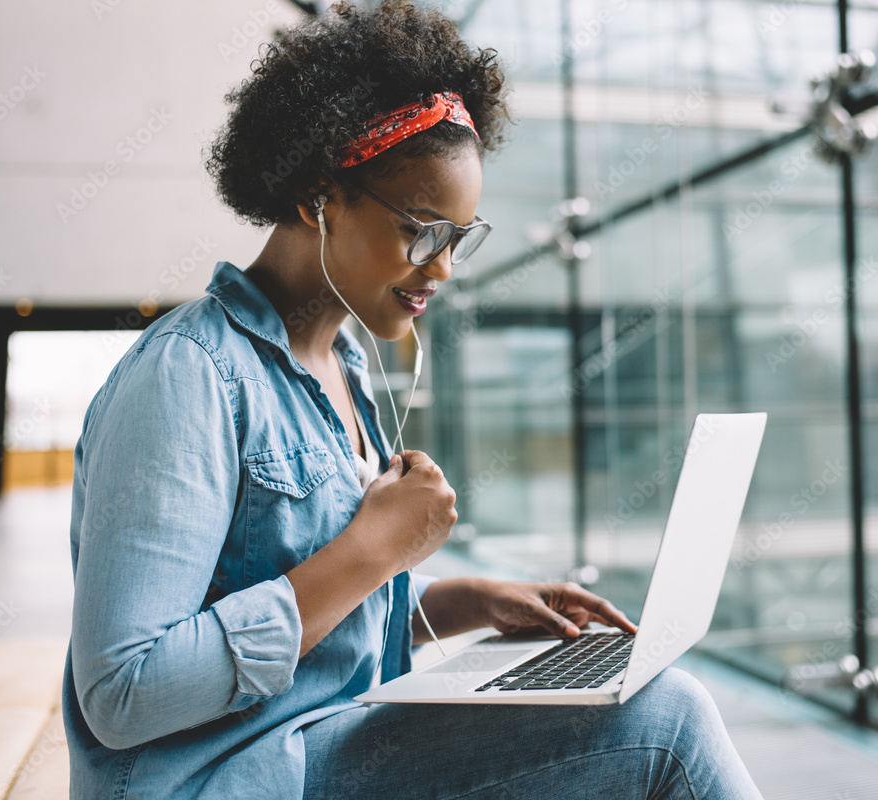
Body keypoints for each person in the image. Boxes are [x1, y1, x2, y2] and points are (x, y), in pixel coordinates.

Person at [61, 2, 765, 798]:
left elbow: (289, 587)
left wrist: (471, 601)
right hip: (238, 778)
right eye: (423, 232)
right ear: (319, 196)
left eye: (460, 240)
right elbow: (123, 693)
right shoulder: (187, 378)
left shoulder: (342, 362)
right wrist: (375, 550)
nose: (444, 270)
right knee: (663, 724)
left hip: (322, 742)